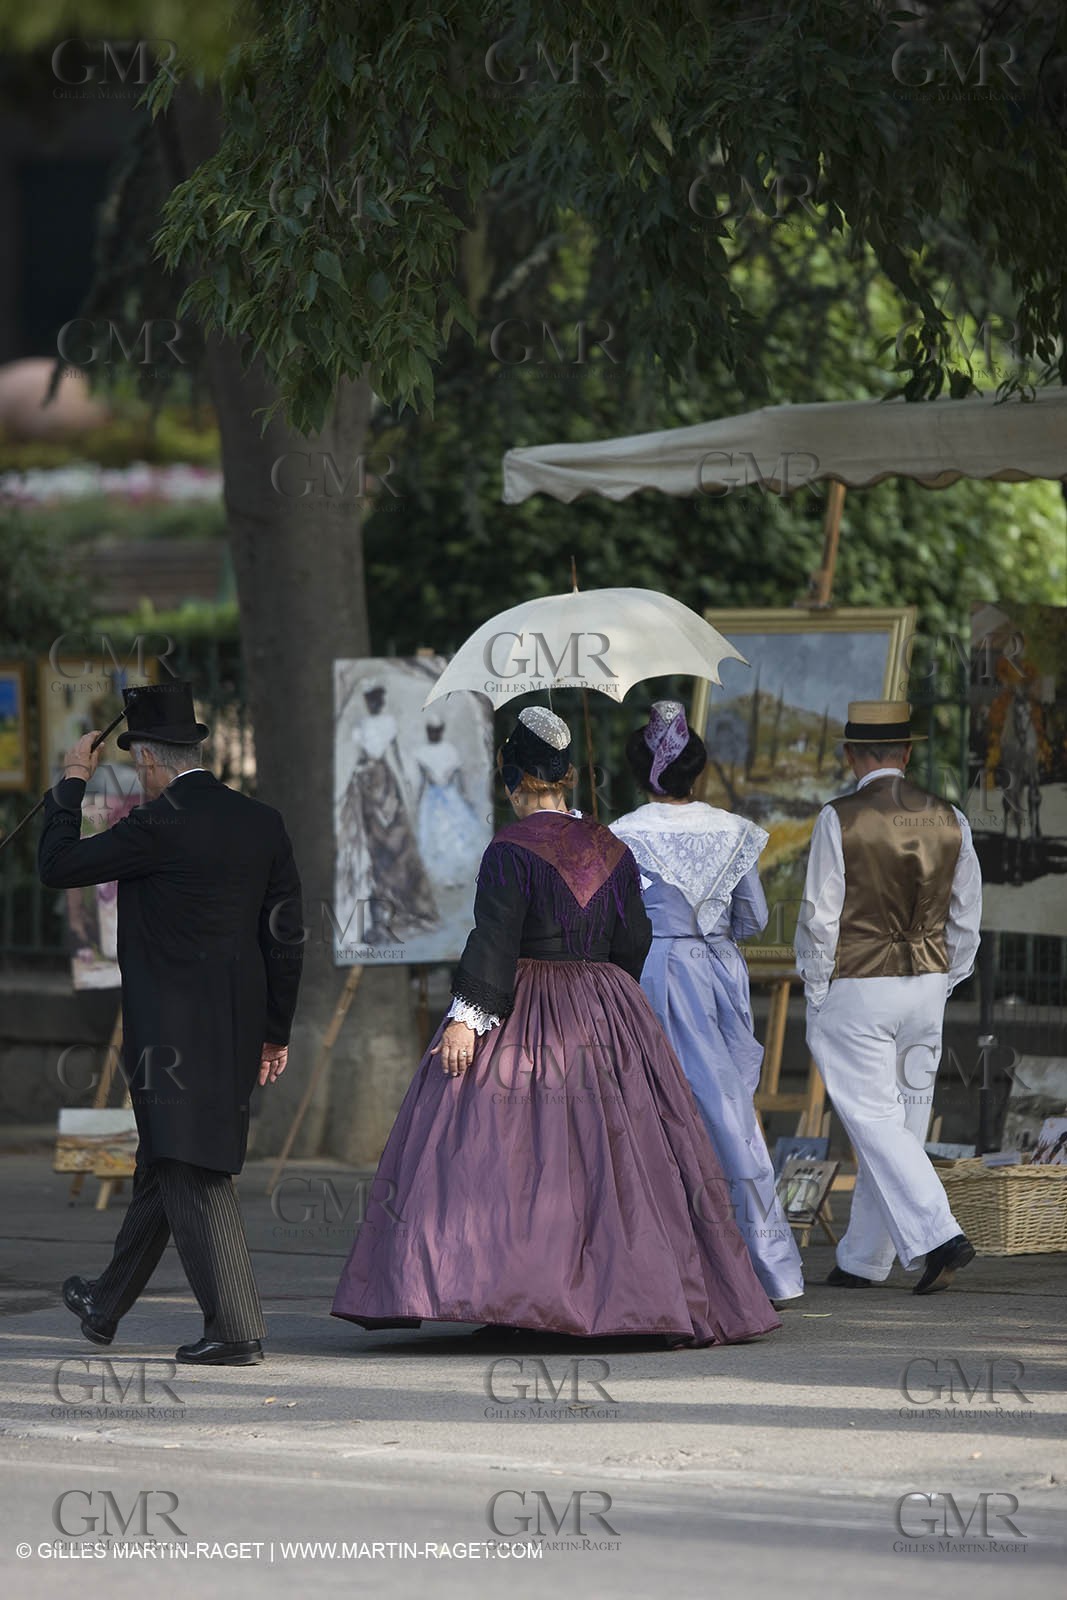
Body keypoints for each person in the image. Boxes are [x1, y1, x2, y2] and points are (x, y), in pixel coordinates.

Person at [332, 706, 780, 1347]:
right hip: (608, 1004)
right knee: (617, 1157)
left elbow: (493, 939)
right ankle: (630, 1292)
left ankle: (520, 1294)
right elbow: (634, 938)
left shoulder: (510, 849)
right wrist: (610, 990)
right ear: (567, 776)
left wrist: (466, 1021)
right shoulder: (613, 847)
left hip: (528, 1002)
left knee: (503, 1149)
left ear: (513, 779)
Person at [38, 681, 303, 1365]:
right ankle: (106, 1303)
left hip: (170, 1036)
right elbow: (287, 937)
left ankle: (236, 1329)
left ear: (150, 763)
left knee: (190, 1166)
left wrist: (71, 782)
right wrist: (276, 1030)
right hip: (240, 1025)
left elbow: (57, 864)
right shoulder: (261, 821)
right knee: (161, 1160)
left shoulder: (155, 825)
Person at [611, 700, 804, 1305]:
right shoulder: (734, 830)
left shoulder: (620, 833)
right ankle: (767, 1265)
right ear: (696, 768)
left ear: (642, 769)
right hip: (715, 972)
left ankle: (665, 1263)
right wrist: (712, 934)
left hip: (646, 972)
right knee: (729, 1114)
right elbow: (754, 916)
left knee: (645, 1109)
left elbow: (612, 920)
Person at [795, 700, 982, 1295]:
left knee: (874, 1120)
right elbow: (967, 916)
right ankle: (864, 1257)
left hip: (858, 982)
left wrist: (817, 987)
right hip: (927, 983)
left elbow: (819, 918)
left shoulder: (839, 817)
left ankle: (940, 1232)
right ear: (906, 753)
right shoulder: (950, 816)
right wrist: (945, 978)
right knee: (902, 1118)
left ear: (851, 756)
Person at [339, 679, 437, 943]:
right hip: (367, 784)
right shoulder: (360, 728)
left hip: (385, 784)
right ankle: (381, 912)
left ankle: (408, 906)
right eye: (370, 698)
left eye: (377, 697)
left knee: (398, 842)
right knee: (373, 846)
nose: (374, 702)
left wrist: (404, 783)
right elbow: (358, 758)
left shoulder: (388, 724)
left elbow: (394, 756)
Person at [414, 715, 485, 889]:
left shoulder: (449, 750)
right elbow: (422, 781)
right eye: (431, 731)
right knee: (437, 837)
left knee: (454, 836)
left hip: (450, 796)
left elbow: (459, 776)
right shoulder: (422, 752)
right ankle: (445, 877)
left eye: (437, 731)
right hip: (433, 800)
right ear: (427, 732)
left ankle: (455, 874)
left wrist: (465, 795)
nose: (434, 734)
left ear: (441, 731)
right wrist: (417, 801)